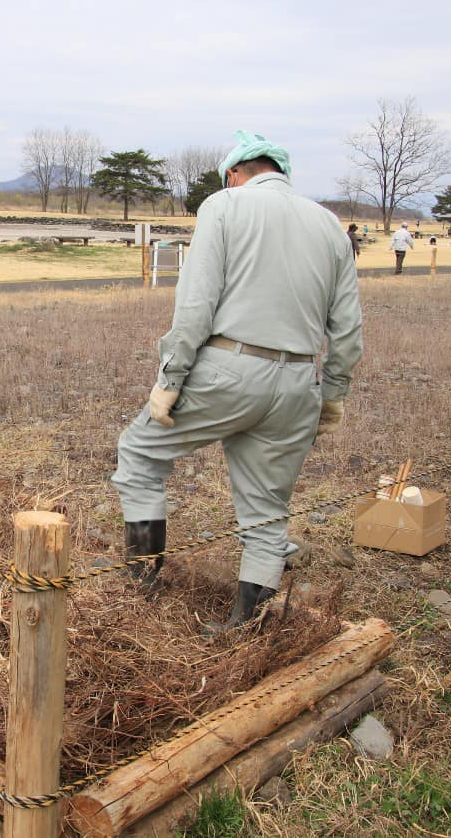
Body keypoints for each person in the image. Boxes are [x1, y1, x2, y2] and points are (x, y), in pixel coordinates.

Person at [110, 130, 362, 632]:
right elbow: (348, 326)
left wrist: (171, 376)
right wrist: (332, 395)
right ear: (281, 171)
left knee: (141, 453)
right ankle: (245, 627)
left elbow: (196, 303)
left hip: (229, 367)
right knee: (267, 508)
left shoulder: (224, 205)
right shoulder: (329, 225)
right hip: (297, 380)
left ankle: (142, 583)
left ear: (234, 173)